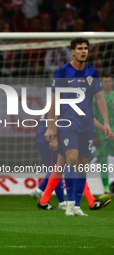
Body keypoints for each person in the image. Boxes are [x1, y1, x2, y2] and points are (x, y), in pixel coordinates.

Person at [44, 37, 111, 216]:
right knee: (71, 159)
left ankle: (76, 204)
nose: (83, 51)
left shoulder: (92, 72)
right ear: (72, 51)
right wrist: (51, 126)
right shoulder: (62, 72)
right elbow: (54, 101)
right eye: (80, 48)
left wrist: (105, 123)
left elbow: (99, 98)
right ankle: (69, 205)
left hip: (87, 124)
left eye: (86, 48)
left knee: (83, 165)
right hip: (68, 123)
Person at [31, 114, 67, 210]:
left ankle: (61, 202)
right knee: (56, 169)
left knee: (56, 169)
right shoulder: (60, 103)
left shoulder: (57, 103)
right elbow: (54, 119)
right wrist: (54, 138)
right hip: (48, 139)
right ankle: (40, 191)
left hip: (45, 138)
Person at [93, 73, 114, 200]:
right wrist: (96, 134)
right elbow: (92, 117)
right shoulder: (96, 99)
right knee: (103, 161)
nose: (107, 83)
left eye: (108, 81)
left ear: (112, 82)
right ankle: (106, 189)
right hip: (102, 134)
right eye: (104, 81)